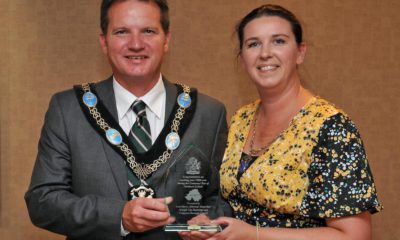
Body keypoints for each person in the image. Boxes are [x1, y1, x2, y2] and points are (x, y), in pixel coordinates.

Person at [24, 0, 230, 239]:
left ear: (166, 40)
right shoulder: (68, 109)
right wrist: (118, 216)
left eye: (148, 31)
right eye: (122, 32)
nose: (135, 44)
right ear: (104, 41)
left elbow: (221, 200)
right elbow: (43, 201)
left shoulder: (207, 113)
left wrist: (209, 222)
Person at [181, 4, 382, 240]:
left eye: (278, 41)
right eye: (253, 44)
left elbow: (355, 236)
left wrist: (255, 234)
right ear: (243, 59)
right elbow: (237, 204)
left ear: (300, 52)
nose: (265, 53)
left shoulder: (331, 128)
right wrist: (212, 224)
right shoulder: (241, 120)